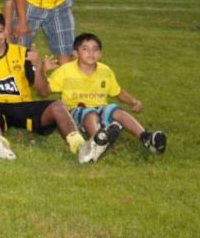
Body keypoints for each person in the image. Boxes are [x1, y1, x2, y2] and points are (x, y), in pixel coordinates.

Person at [0, 11, 92, 161]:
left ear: (6, 31)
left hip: (23, 106)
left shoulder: (23, 54)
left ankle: (80, 144)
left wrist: (38, 68)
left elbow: (43, 92)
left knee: (57, 105)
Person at [39, 33, 167, 160]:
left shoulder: (105, 71)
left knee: (116, 110)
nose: (91, 53)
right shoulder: (65, 70)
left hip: (101, 108)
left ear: (100, 54)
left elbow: (117, 92)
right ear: (76, 54)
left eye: (95, 49)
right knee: (90, 114)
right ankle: (98, 141)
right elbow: (44, 91)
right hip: (75, 111)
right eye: (85, 49)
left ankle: (146, 138)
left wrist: (133, 102)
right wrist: (42, 72)